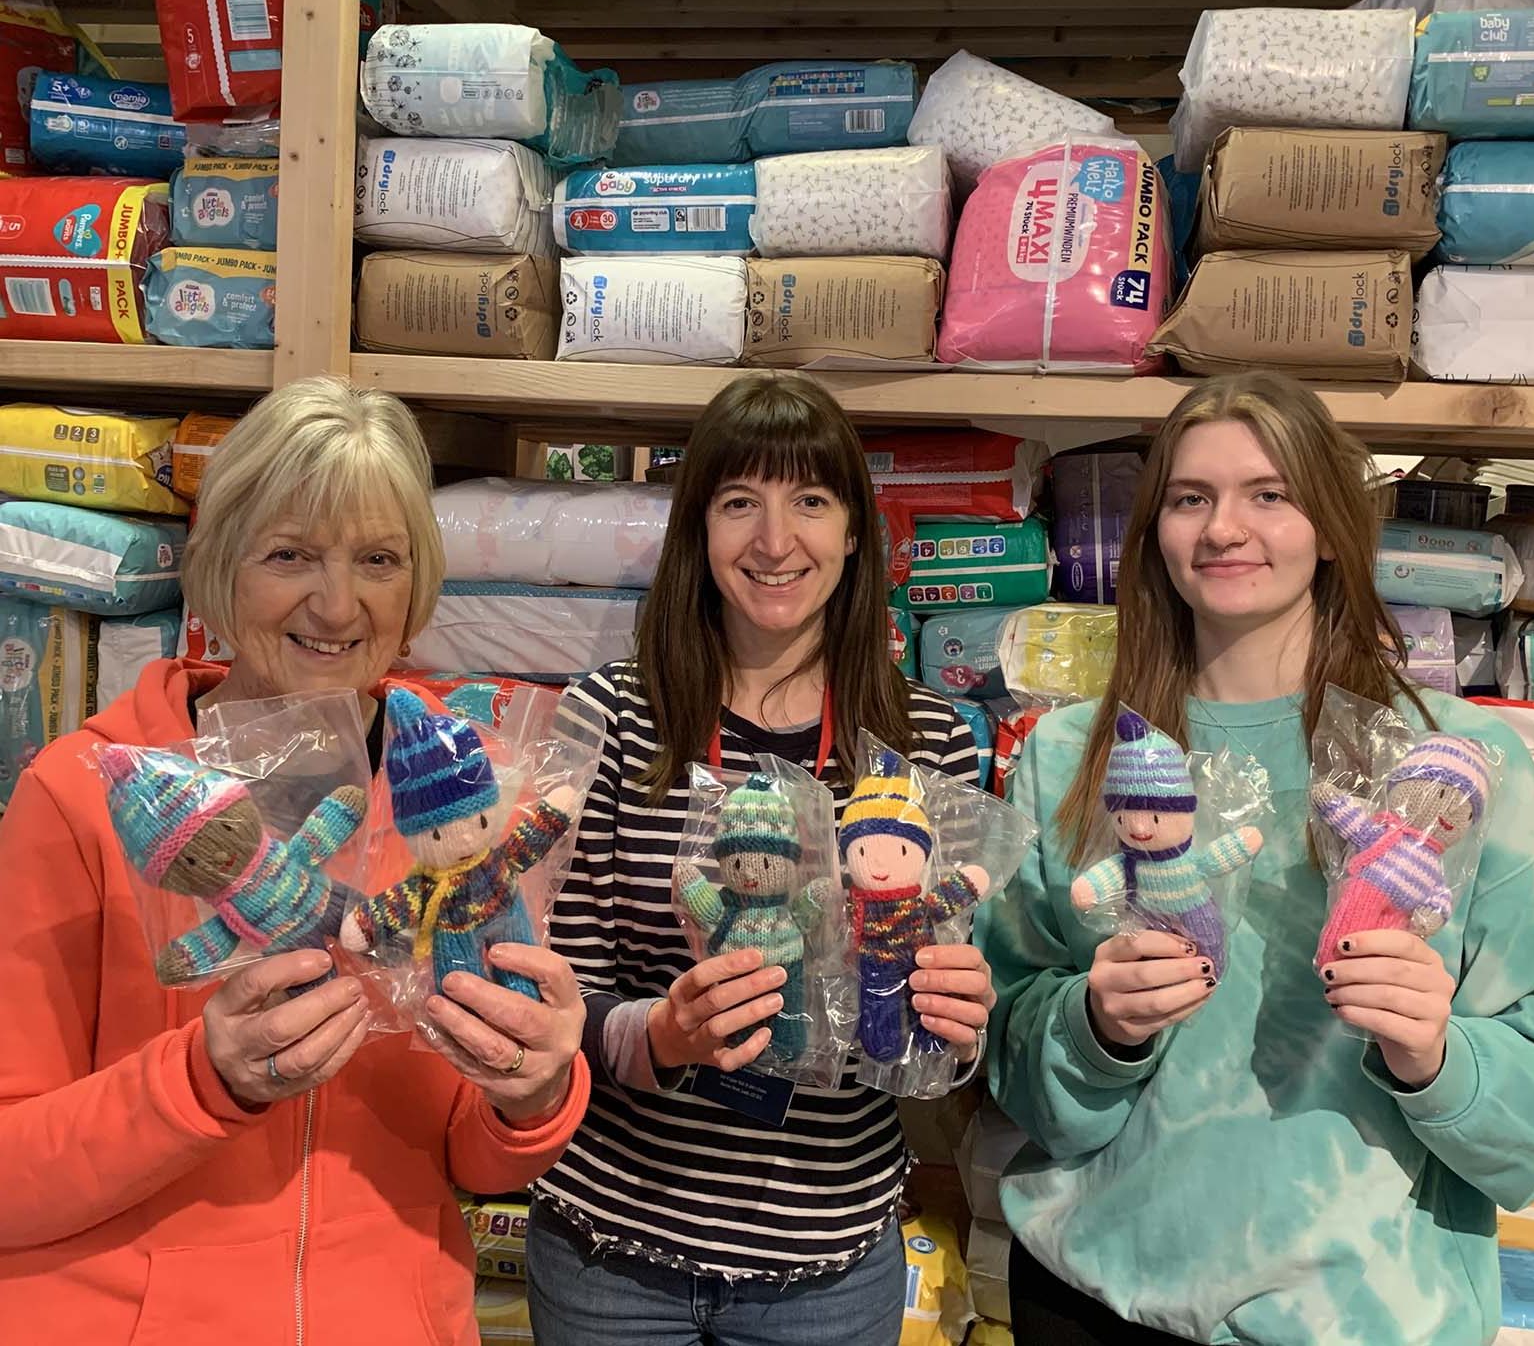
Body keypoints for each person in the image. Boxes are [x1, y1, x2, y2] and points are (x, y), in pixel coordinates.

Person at [978, 371, 1534, 1346]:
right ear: (1154, 533)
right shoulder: (1069, 756)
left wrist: (1436, 1055)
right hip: (1091, 1299)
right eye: (1191, 498)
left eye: (1269, 494)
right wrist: (1094, 1027)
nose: (1226, 528)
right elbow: (1007, 1050)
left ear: (1330, 525)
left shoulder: (1457, 766)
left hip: (1360, 1318)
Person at [0, 378, 590, 1344]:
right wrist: (202, 1082)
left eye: (378, 559)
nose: (338, 601)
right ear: (221, 565)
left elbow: (473, 1158)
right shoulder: (81, 796)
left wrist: (533, 1095)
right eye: (290, 555)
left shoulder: (461, 791)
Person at [527, 373, 993, 1346]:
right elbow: (555, 995)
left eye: (809, 502)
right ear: (698, 529)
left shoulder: (928, 744)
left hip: (824, 1266)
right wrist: (663, 1037)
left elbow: (931, 1055)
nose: (774, 542)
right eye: (740, 502)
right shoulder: (611, 716)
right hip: (610, 1251)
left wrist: (951, 1026)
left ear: (856, 532)